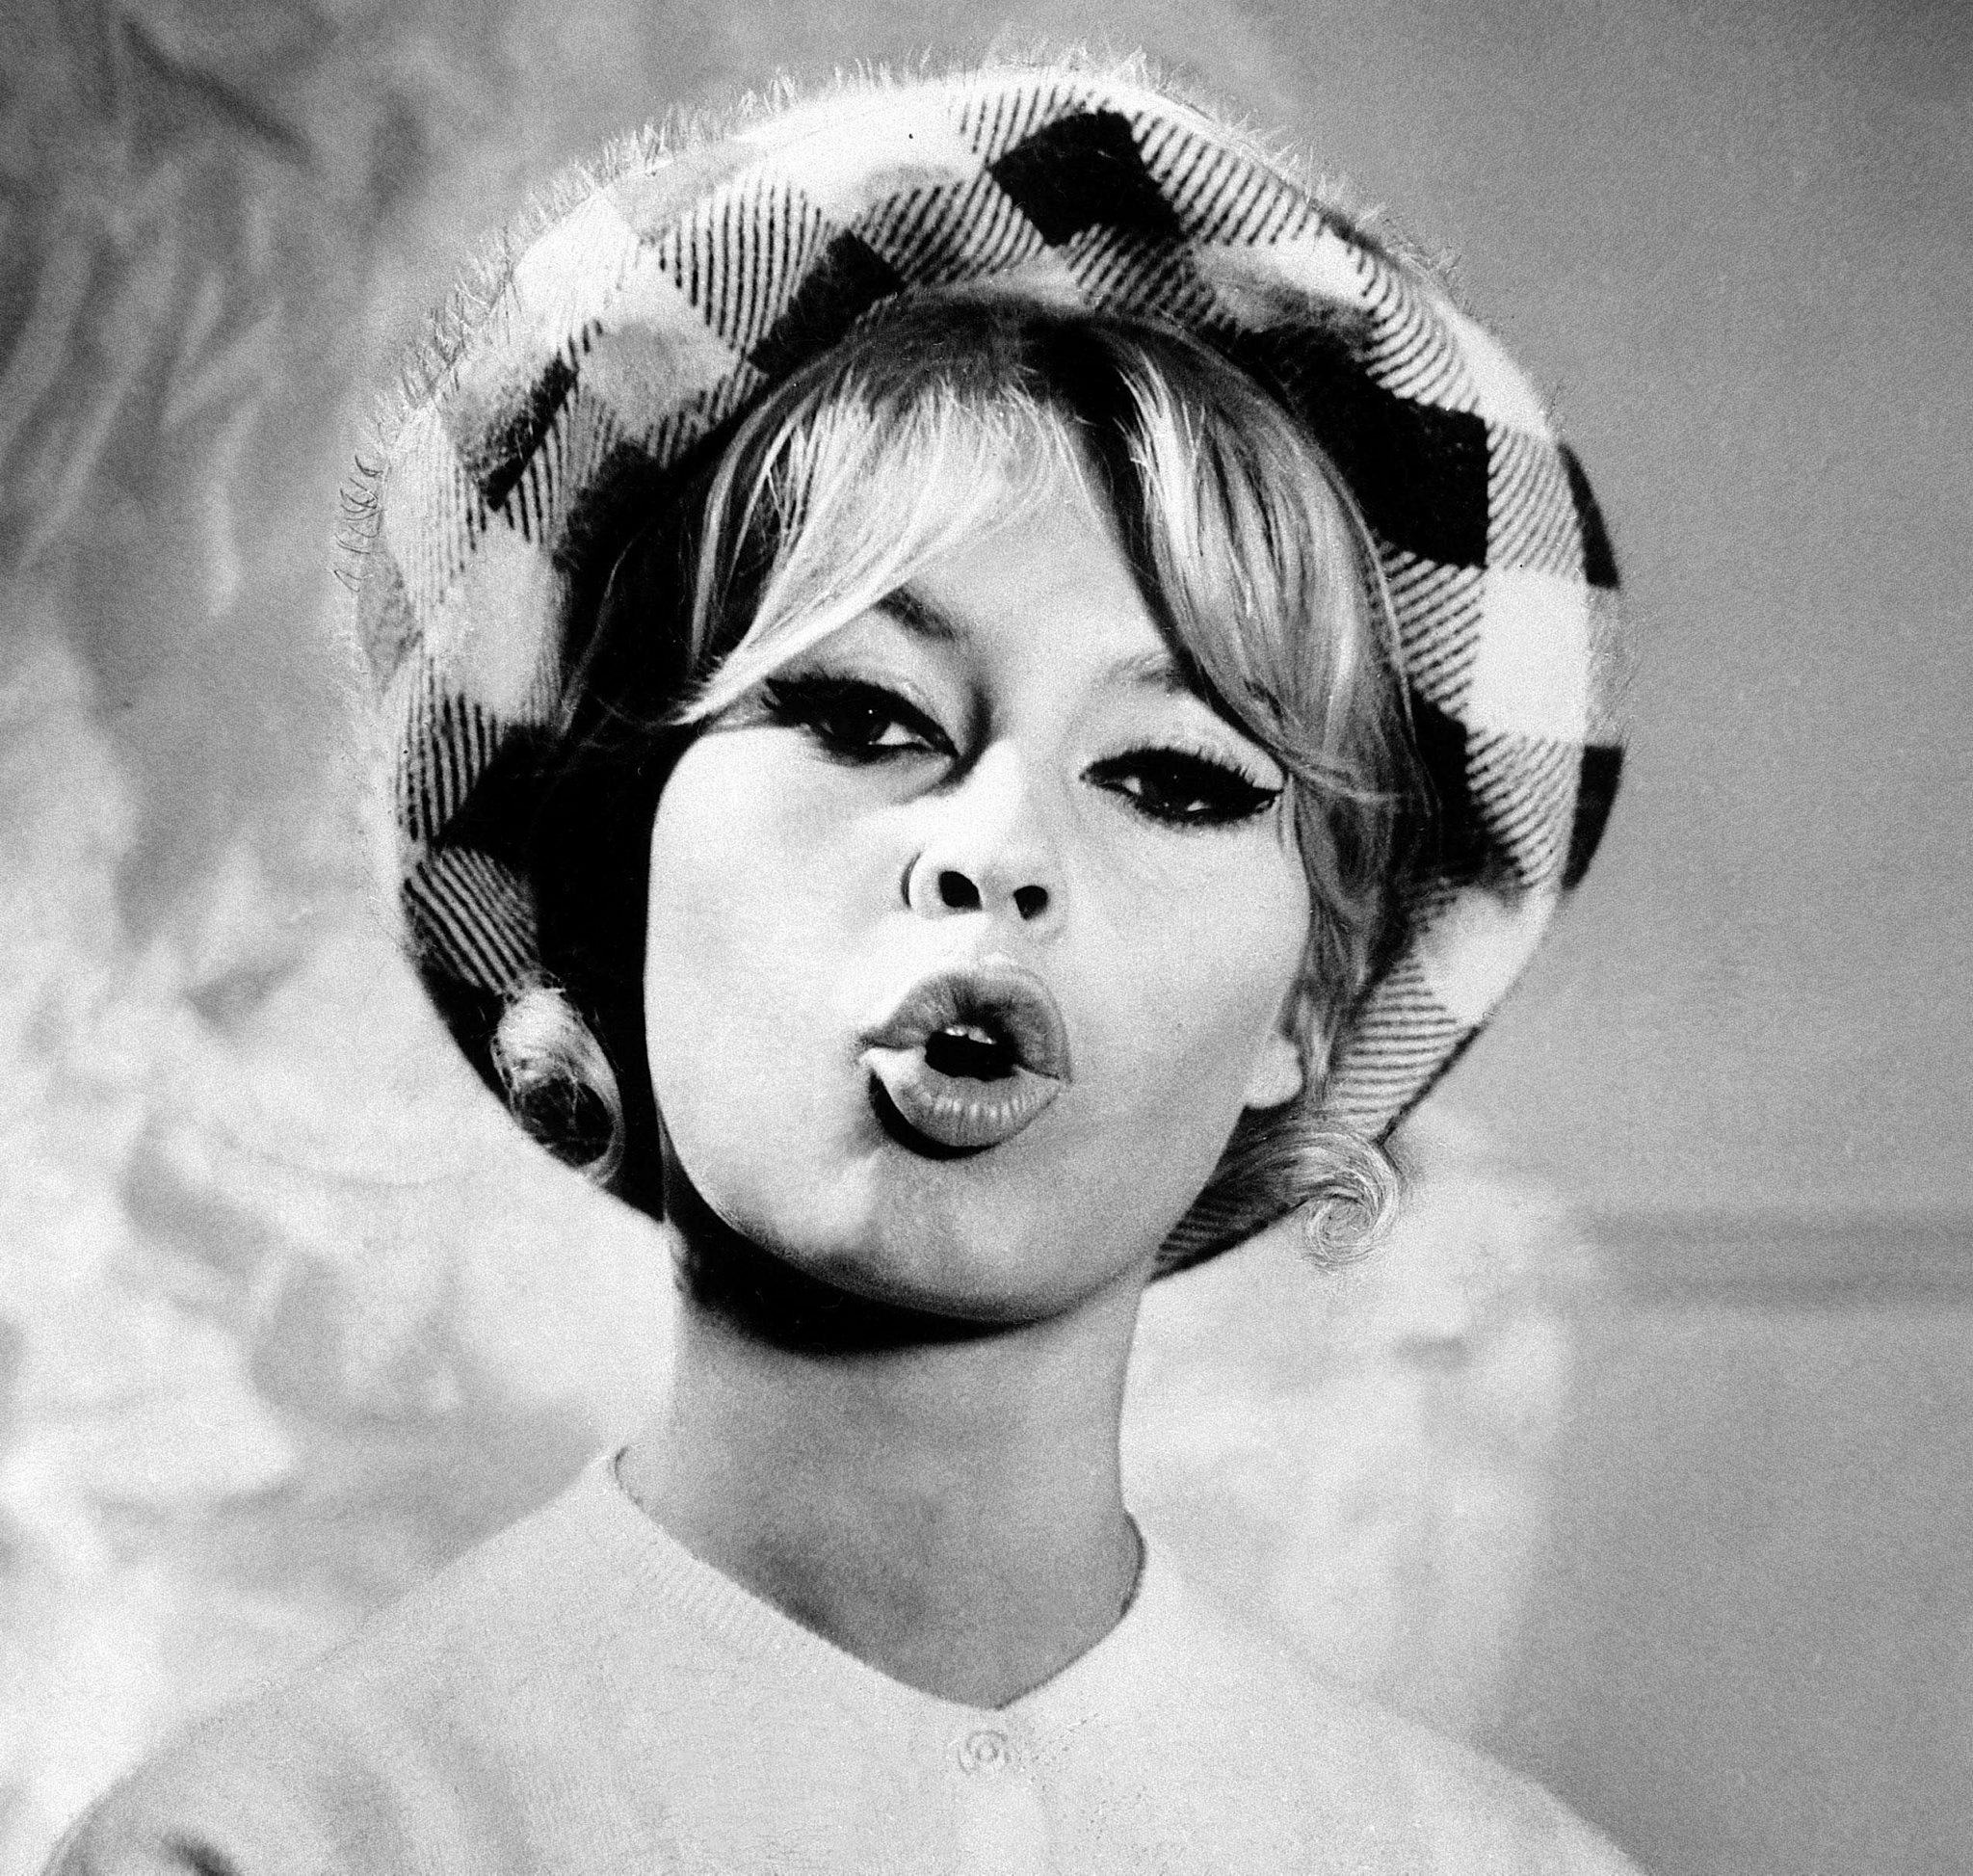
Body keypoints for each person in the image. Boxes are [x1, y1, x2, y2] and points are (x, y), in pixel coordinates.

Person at [47, 57, 1634, 1874]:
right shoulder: (264, 1849)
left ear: (1310, 1009)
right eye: (864, 713)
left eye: (1173, 775)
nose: (998, 850)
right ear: (613, 869)